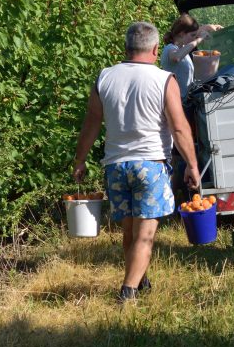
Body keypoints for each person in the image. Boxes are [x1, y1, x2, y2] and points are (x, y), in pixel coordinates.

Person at [72, 21, 200, 304]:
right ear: (156, 49)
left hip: (116, 166)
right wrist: (192, 164)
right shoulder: (164, 79)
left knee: (129, 230)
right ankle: (127, 293)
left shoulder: (105, 77)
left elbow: (92, 121)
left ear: (127, 48)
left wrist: (80, 159)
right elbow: (179, 128)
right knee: (145, 235)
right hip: (150, 165)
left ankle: (139, 281)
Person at [161, 13, 221, 98]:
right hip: (177, 101)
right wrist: (198, 40)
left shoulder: (182, 47)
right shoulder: (170, 48)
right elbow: (176, 57)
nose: (194, 38)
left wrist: (211, 26)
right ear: (182, 34)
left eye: (195, 36)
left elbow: (198, 30)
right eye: (193, 35)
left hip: (186, 100)